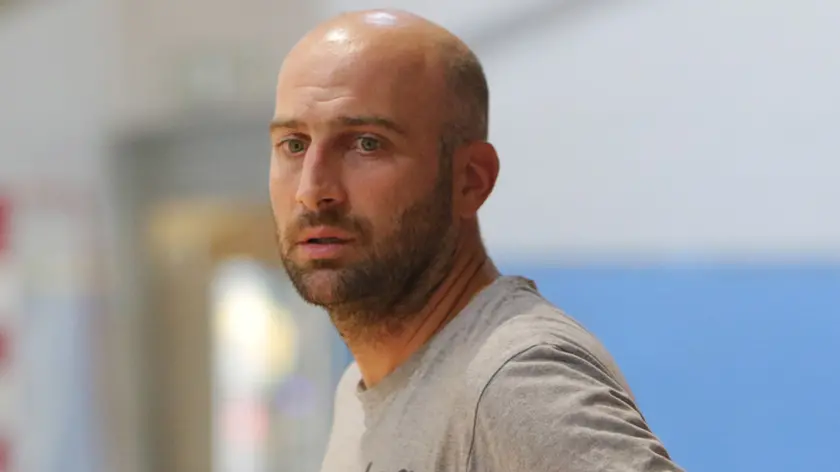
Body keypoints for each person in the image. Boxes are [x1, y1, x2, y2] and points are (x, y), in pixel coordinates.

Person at [269, 8, 683, 472]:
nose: (312, 190)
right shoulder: (359, 389)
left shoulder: (515, 381)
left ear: (470, 180)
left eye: (367, 143)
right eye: (294, 144)